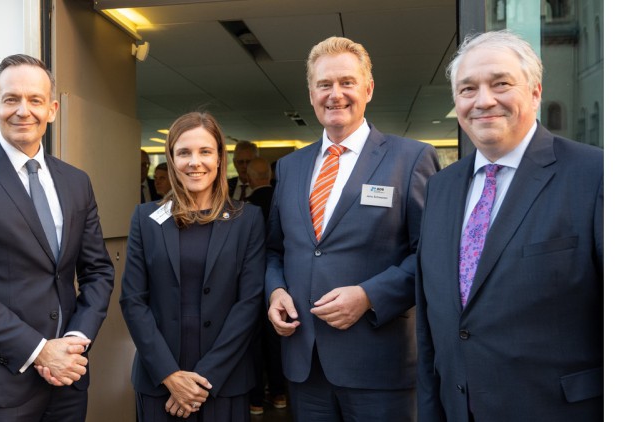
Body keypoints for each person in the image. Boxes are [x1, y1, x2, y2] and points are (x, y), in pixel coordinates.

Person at [416, 30, 603, 422]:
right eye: (468, 89)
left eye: (500, 83)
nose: (483, 100)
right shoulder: (440, 188)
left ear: (535, 92)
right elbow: (434, 324)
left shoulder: (596, 176)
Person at [0, 54, 115, 421]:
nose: (22, 110)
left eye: (35, 100)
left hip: (68, 381)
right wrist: (40, 351)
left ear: (53, 109)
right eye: (11, 99)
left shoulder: (76, 182)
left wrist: (75, 341)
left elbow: (98, 272)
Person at [266, 36, 440, 421]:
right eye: (324, 85)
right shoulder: (289, 167)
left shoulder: (410, 159)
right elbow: (276, 250)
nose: (335, 94)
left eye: (346, 82)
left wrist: (368, 295)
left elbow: (431, 256)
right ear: (311, 93)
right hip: (305, 364)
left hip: (378, 365)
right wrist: (275, 290)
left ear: (368, 88)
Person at [121, 111, 265, 421]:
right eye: (183, 152)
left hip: (224, 381)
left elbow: (249, 303)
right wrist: (170, 375)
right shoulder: (145, 219)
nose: (194, 161)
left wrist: (203, 381)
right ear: (172, 159)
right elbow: (133, 301)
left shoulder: (248, 219)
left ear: (218, 159)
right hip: (159, 381)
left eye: (204, 151)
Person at [244, 157, 286, 415]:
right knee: (277, 340)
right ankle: (280, 394)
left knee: (254, 343)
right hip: (280, 284)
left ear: (249, 178)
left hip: (250, 284)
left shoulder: (246, 208)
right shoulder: (283, 200)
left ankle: (256, 399)